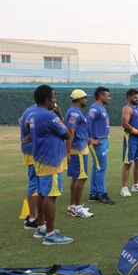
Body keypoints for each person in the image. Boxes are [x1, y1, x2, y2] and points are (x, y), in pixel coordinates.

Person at [30, 84, 73, 245]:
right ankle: (50, 234)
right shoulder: (49, 115)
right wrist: (60, 115)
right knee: (51, 196)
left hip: (41, 160)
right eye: (54, 97)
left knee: (42, 193)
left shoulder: (34, 114)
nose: (55, 100)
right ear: (47, 99)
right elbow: (67, 134)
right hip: (51, 161)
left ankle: (41, 227)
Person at [65, 89, 94, 218]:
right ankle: (77, 207)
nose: (86, 100)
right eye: (85, 98)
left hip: (80, 148)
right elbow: (71, 132)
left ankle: (73, 206)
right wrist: (68, 152)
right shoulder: (74, 113)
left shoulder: (74, 112)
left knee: (77, 177)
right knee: (82, 177)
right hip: (78, 150)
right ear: (79, 99)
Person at [87, 87, 115, 204]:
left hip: (103, 141)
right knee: (101, 167)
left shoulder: (101, 108)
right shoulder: (94, 108)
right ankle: (102, 194)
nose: (109, 98)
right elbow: (87, 122)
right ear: (100, 96)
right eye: (107, 96)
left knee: (97, 167)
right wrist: (90, 139)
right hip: (98, 142)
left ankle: (93, 193)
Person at [120, 89, 138, 197]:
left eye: (137, 97)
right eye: (134, 97)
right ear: (129, 97)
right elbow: (125, 124)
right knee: (128, 163)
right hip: (131, 139)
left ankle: (136, 185)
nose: (137, 99)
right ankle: (124, 188)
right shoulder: (127, 109)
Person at [19, 104, 38, 229]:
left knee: (34, 182)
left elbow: (21, 121)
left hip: (30, 150)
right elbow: (27, 123)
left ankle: (33, 216)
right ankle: (32, 218)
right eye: (53, 97)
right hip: (33, 152)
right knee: (35, 184)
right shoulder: (34, 112)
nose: (54, 100)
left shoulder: (29, 109)